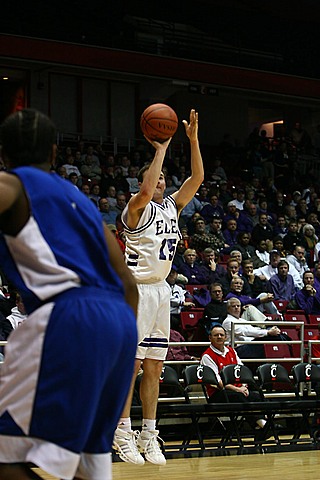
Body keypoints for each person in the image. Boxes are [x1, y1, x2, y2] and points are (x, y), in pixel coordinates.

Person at [0, 108, 138, 480]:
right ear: (55, 153)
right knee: (84, 466)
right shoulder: (82, 203)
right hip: (120, 324)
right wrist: (118, 341)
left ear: (3, 156)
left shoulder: (12, 184)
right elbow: (127, 280)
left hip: (68, 314)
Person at [113, 109, 204, 466]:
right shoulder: (135, 209)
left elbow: (197, 177)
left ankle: (149, 434)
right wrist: (161, 148)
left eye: (166, 178)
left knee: (153, 366)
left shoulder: (171, 207)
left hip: (161, 292)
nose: (163, 182)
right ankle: (122, 431)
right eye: (158, 177)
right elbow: (148, 187)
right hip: (134, 292)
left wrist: (192, 140)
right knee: (131, 365)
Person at [201, 324, 268, 435]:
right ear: (210, 338)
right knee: (239, 397)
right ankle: (262, 424)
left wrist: (244, 386)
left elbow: (243, 372)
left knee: (256, 395)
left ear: (226, 337)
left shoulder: (232, 351)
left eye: (221, 335)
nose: (219, 337)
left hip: (237, 390)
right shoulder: (207, 356)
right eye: (216, 335)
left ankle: (259, 427)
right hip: (218, 394)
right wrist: (238, 390)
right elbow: (219, 383)